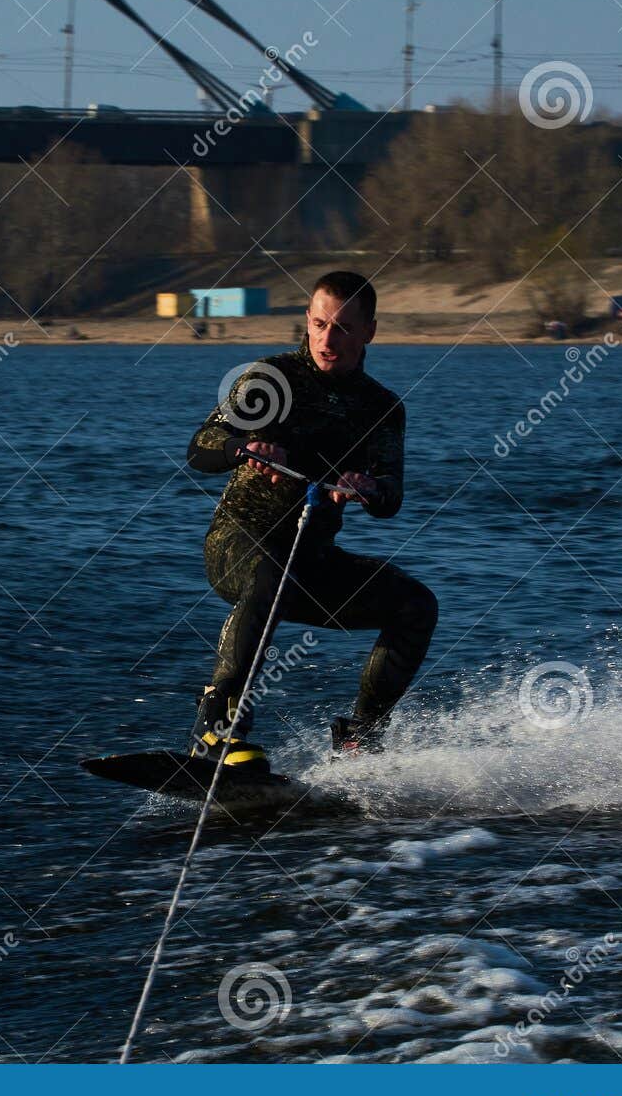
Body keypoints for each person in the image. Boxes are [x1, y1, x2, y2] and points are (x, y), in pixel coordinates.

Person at [185, 271, 438, 773]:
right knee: (271, 573)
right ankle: (214, 732)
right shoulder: (270, 379)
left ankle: (360, 742)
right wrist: (242, 448)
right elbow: (200, 449)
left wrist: (368, 488)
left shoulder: (381, 408)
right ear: (306, 321)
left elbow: (391, 496)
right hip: (238, 543)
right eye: (320, 324)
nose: (328, 339)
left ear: (370, 331)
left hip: (311, 560)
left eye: (343, 328)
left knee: (416, 605)